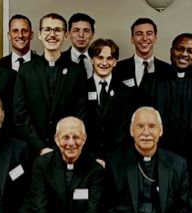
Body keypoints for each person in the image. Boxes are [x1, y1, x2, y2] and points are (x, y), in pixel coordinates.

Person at [14, 13, 87, 157]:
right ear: (40, 34)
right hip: (32, 152)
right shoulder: (26, 70)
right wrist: (40, 148)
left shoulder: (77, 71)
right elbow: (20, 115)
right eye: (47, 30)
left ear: (65, 35)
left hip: (66, 151)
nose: (52, 35)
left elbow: (81, 114)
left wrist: (60, 145)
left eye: (57, 30)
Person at [140, 33, 192, 164]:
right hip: (158, 154)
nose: (184, 54)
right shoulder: (150, 81)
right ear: (171, 51)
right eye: (180, 49)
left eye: (191, 51)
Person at [84, 38, 138, 162]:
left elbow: (125, 130)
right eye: (100, 57)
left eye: (109, 58)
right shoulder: (81, 89)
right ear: (91, 59)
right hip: (88, 159)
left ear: (115, 62)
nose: (104, 63)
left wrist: (110, 159)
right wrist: (93, 157)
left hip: (118, 160)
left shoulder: (126, 92)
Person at [112, 18, 171, 87]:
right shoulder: (117, 69)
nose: (144, 38)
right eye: (139, 34)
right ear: (132, 39)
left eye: (149, 34)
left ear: (155, 38)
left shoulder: (168, 70)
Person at [60, 13, 95, 78]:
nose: (81, 35)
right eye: (76, 30)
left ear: (92, 34)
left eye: (86, 31)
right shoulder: (59, 60)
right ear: (68, 34)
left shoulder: (100, 59)